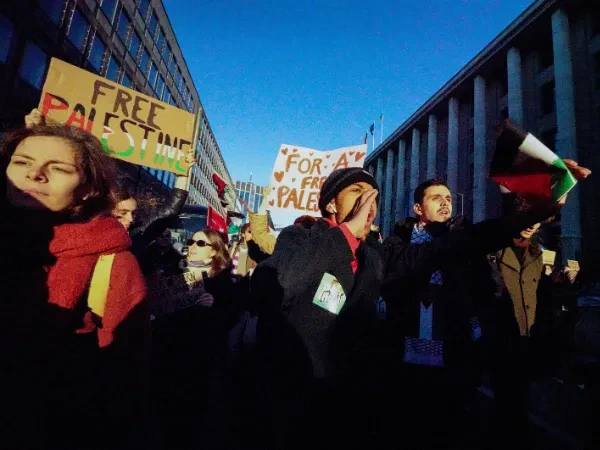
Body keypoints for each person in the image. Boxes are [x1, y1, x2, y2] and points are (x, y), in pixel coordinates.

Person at [251, 165, 581, 449]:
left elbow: (467, 241)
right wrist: (345, 234)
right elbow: (273, 284)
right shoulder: (302, 237)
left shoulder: (377, 255)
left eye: (374, 196)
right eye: (356, 191)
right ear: (331, 204)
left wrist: (539, 208)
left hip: (355, 399)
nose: (369, 202)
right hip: (299, 398)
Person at [0, 125, 148, 449]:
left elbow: (123, 384)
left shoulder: (114, 263)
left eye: (59, 168)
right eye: (22, 161)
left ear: (87, 190)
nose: (36, 174)